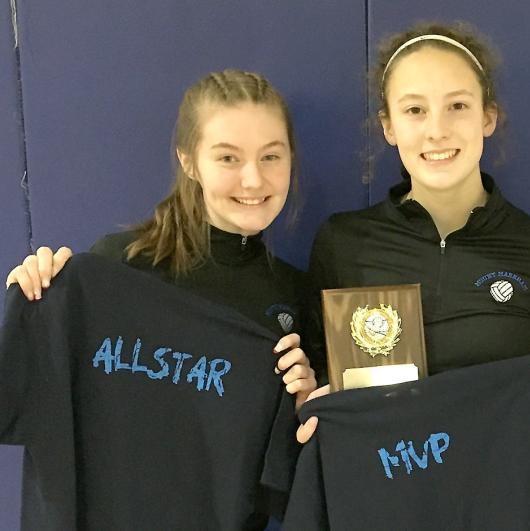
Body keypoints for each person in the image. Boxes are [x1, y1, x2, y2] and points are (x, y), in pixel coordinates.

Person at [5, 69, 318, 526]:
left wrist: (303, 402)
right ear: (189, 161)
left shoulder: (292, 297)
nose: (253, 179)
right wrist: (37, 299)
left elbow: (288, 485)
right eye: (228, 158)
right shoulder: (115, 271)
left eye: (271, 156)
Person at [296, 22, 530, 440]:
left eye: (458, 106)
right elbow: (322, 381)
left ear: (488, 117)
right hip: (383, 491)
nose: (437, 130)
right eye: (415, 110)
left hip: (498, 495)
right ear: (389, 127)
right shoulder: (343, 244)